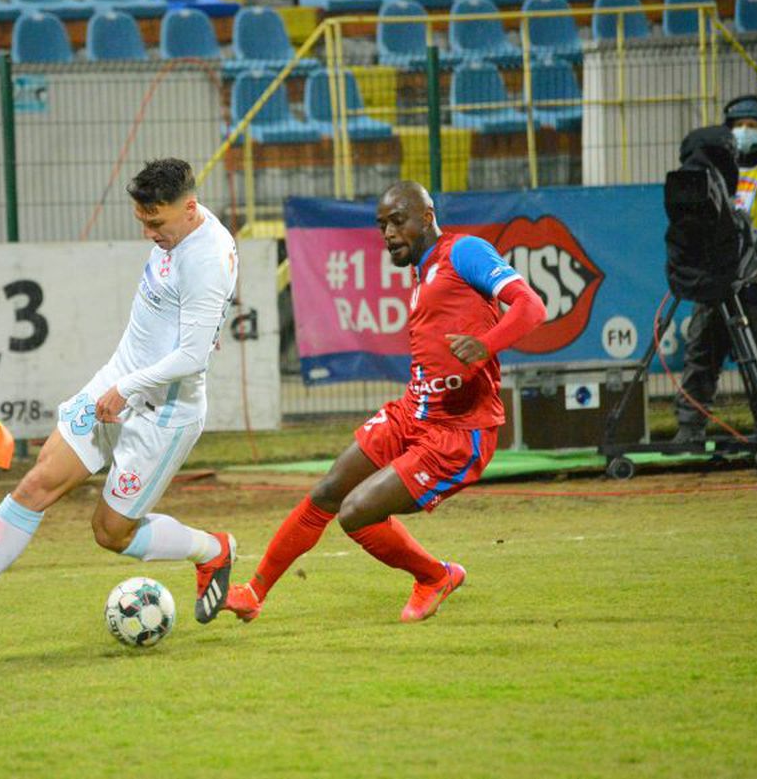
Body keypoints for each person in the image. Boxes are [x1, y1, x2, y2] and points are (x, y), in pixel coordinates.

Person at [0, 157, 239, 638]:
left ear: (190, 208)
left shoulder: (207, 259)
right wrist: (120, 382)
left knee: (111, 534)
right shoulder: (178, 229)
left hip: (164, 413)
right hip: (117, 383)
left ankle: (212, 550)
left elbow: (194, 357)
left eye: (156, 223)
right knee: (36, 485)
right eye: (142, 222)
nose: (149, 234)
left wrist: (127, 388)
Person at [224, 181, 546, 624]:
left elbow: (531, 307)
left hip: (458, 433)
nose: (389, 233)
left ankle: (435, 576)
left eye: (398, 221)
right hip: (412, 412)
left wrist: (485, 346)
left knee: (356, 513)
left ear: (428, 217)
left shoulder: (464, 252)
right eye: (382, 226)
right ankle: (252, 592)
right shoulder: (422, 273)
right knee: (328, 491)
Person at [674, 95, 757, 443]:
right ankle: (689, 428)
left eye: (752, 126)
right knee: (702, 350)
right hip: (717, 272)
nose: (743, 132)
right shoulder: (714, 163)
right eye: (738, 125)